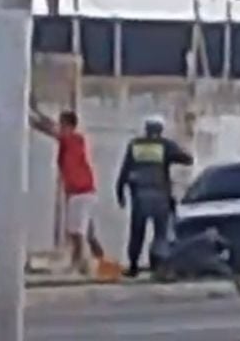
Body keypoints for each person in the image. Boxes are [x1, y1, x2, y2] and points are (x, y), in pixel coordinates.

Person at [115, 115, 193, 278]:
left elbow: (124, 170)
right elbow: (188, 160)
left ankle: (134, 266)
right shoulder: (165, 145)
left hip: (139, 197)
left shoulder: (135, 145)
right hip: (160, 197)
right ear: (160, 129)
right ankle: (158, 266)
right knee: (160, 234)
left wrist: (120, 193)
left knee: (137, 233)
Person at [30, 107, 105, 275]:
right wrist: (37, 115)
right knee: (89, 233)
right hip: (84, 193)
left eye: (63, 124)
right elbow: (53, 128)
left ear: (69, 125)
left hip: (81, 193)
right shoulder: (70, 139)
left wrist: (32, 121)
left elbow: (53, 131)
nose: (60, 127)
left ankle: (76, 265)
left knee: (76, 233)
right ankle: (101, 264)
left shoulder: (74, 139)